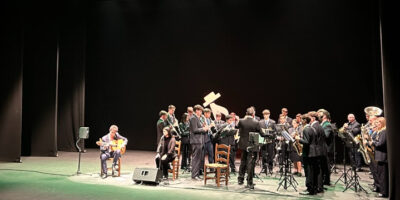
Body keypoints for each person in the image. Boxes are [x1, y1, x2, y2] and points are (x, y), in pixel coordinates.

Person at [237, 107, 260, 189]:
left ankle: (240, 179)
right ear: (253, 114)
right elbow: (261, 133)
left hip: (243, 145)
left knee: (243, 161)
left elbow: (237, 127)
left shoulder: (241, 121)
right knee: (250, 164)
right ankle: (249, 183)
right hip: (252, 145)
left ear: (246, 113)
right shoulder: (256, 122)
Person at [296, 115, 318, 195]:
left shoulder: (306, 129)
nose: (301, 121)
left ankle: (310, 189)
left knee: (308, 172)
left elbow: (306, 142)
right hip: (314, 153)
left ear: (305, 120)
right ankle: (313, 189)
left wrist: (299, 139)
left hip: (308, 153)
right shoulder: (312, 128)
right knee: (312, 172)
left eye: (302, 119)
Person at [189, 105, 209, 180]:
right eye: (200, 111)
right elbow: (194, 130)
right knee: (196, 159)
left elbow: (198, 128)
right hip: (196, 141)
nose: (201, 112)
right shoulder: (193, 118)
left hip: (199, 141)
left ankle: (196, 174)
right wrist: (204, 129)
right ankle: (194, 175)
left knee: (198, 159)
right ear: (196, 110)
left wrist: (203, 127)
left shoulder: (196, 118)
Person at [370, 117, 388, 198]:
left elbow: (380, 143)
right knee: (380, 174)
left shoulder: (384, 131)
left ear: (382, 123)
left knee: (382, 175)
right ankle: (382, 190)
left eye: (378, 123)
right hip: (379, 156)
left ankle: (383, 192)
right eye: (376, 123)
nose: (376, 124)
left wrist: (372, 142)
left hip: (382, 156)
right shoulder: (380, 131)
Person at [259, 109, 277, 175]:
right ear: (263, 115)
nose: (265, 116)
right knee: (263, 155)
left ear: (269, 114)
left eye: (267, 114)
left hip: (270, 141)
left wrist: (271, 134)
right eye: (264, 115)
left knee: (270, 155)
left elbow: (275, 132)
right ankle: (264, 168)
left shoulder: (273, 122)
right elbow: (259, 131)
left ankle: (270, 168)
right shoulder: (260, 122)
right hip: (263, 141)